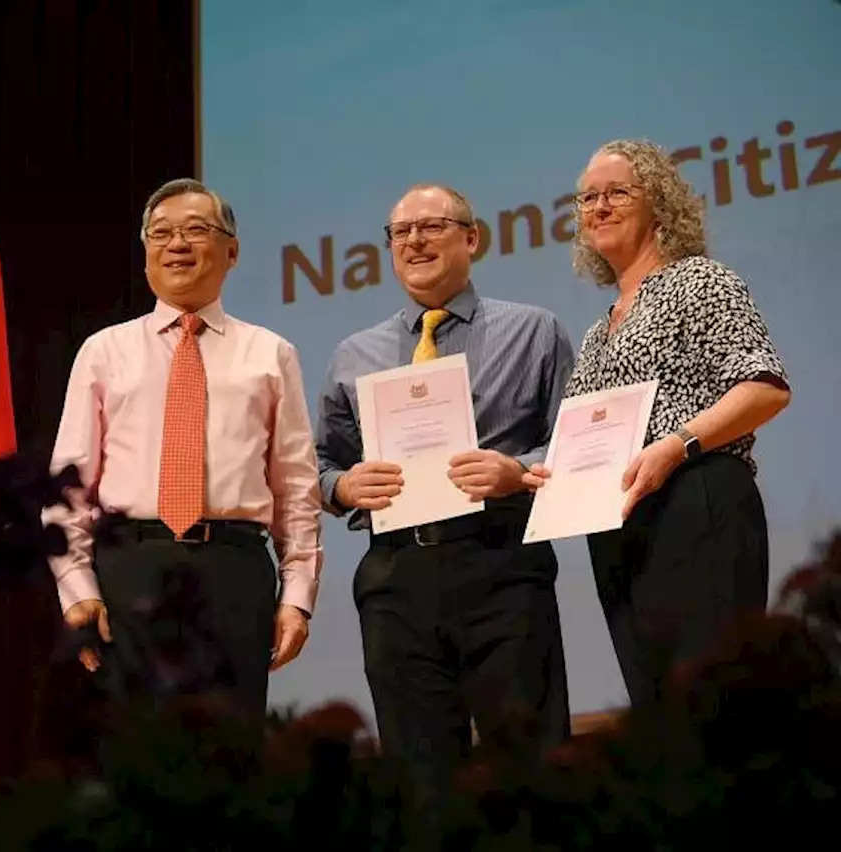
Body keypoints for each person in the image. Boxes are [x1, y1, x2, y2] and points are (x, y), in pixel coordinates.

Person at [315, 183, 574, 815]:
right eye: (400, 233)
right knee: (421, 785)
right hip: (396, 580)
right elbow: (321, 465)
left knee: (532, 771)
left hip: (502, 567)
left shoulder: (533, 330)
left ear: (472, 238)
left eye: (431, 226)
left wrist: (519, 470)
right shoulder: (355, 353)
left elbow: (577, 440)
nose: (414, 242)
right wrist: (344, 486)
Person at [45, 178, 323, 718]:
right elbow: (69, 486)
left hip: (234, 569)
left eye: (196, 230)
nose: (177, 244)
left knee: (231, 755)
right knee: (134, 757)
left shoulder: (270, 353)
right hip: (130, 569)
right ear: (145, 250)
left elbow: (296, 488)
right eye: (161, 233)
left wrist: (297, 596)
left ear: (232, 251)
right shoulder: (104, 351)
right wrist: (77, 588)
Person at [541, 139, 791, 708]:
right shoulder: (597, 332)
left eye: (616, 193)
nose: (598, 207)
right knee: (663, 726)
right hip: (623, 532)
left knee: (719, 707)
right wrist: (530, 475)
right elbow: (580, 447)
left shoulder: (700, 281)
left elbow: (764, 387)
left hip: (696, 504)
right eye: (587, 198)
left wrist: (675, 447)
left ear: (658, 201)